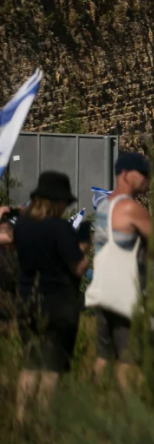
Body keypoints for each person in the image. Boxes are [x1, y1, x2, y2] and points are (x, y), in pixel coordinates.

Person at [14, 171, 87, 424]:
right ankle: (44, 423)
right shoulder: (59, 228)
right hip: (57, 305)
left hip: (26, 300)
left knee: (30, 364)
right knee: (52, 367)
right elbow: (77, 266)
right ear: (57, 201)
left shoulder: (22, 225)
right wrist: (84, 249)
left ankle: (21, 419)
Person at [85, 152, 152, 393]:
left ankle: (92, 400)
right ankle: (129, 412)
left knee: (103, 356)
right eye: (142, 173)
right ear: (124, 174)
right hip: (126, 295)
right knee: (129, 360)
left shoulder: (103, 206)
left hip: (103, 290)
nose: (147, 179)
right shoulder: (131, 209)